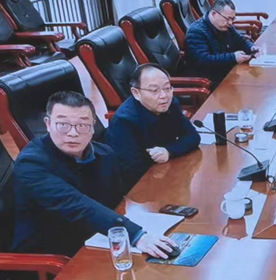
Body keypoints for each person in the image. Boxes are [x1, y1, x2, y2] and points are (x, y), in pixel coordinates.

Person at [11, 91, 177, 259]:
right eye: (63, 125)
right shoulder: (31, 163)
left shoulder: (105, 154)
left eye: (83, 125)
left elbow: (116, 202)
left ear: (93, 127)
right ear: (48, 124)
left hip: (97, 238)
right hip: (49, 255)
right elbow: (77, 205)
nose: (73, 133)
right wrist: (137, 235)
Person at [106, 64, 201, 190]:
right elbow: (132, 171)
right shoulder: (123, 122)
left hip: (167, 171)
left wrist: (168, 151)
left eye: (167, 88)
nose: (164, 96)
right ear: (136, 93)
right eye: (154, 90)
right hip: (140, 187)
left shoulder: (170, 104)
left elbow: (193, 136)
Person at [184, 0, 262, 88]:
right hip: (207, 81)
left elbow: (240, 41)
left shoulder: (225, 26)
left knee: (256, 80)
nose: (230, 23)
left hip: (224, 72)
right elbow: (204, 60)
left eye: (232, 19)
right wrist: (233, 57)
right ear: (214, 14)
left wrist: (251, 47)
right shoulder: (196, 32)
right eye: (227, 19)